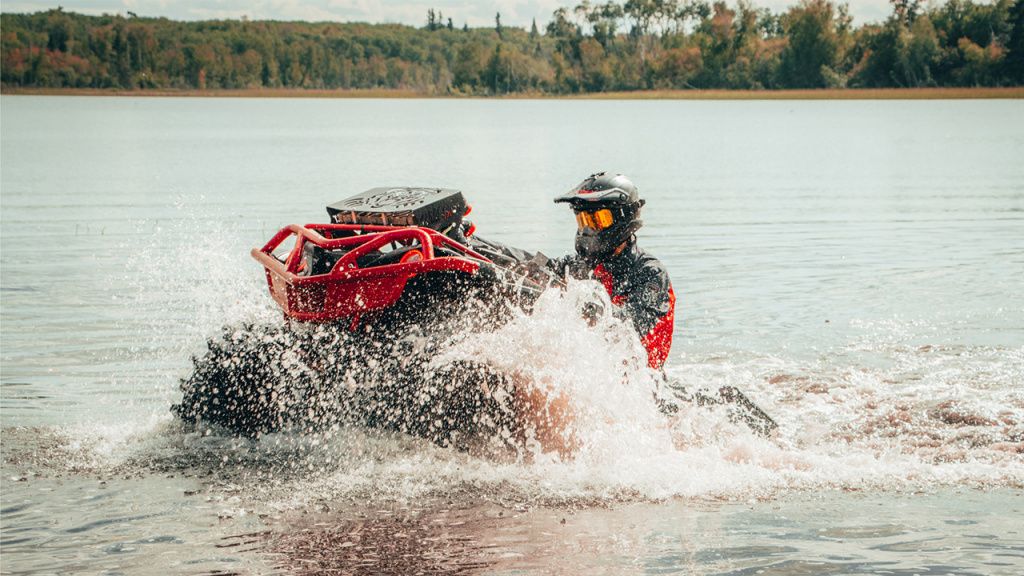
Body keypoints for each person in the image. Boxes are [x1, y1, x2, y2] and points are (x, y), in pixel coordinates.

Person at [547, 172, 676, 369]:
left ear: (623, 218)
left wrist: (585, 304)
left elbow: (628, 329)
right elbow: (536, 268)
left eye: (598, 220)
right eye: (583, 221)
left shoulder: (650, 274)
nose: (588, 230)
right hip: (588, 373)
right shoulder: (580, 265)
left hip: (641, 386)